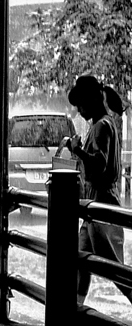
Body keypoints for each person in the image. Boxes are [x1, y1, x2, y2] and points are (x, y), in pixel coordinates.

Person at [65, 75, 132, 307]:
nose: (79, 111)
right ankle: (75, 307)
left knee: (115, 270)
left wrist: (77, 150)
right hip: (94, 205)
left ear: (92, 99)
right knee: (80, 260)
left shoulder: (101, 126)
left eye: (81, 104)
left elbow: (99, 164)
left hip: (102, 205)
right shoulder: (103, 124)